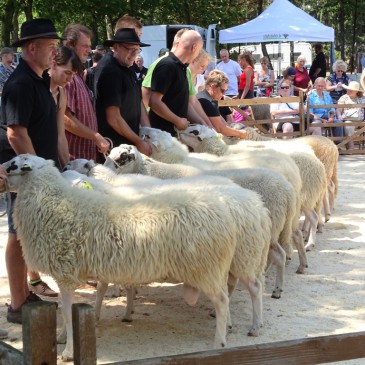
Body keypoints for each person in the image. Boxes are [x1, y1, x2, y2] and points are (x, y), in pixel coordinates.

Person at [0, 18, 65, 323]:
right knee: (17, 235)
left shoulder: (38, 80)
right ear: (31, 48)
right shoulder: (21, 84)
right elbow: (15, 133)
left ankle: (25, 292)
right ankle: (16, 305)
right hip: (25, 176)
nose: (55, 52)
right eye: (51, 46)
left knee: (25, 235)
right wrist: (39, 171)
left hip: (35, 172)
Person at [96, 28, 152, 158]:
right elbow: (113, 118)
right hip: (116, 150)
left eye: (137, 50)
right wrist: (138, 141)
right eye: (130, 49)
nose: (134, 54)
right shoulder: (110, 71)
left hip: (128, 145)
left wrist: (148, 133)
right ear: (116, 47)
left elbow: (138, 102)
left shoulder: (127, 66)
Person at [62, 23, 110, 161]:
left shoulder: (78, 74)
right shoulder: (66, 77)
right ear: (70, 45)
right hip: (74, 161)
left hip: (85, 158)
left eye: (90, 46)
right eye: (85, 46)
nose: (90, 51)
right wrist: (95, 136)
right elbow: (65, 118)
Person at [149, 30, 204, 136]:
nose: (199, 53)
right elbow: (154, 101)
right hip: (163, 137)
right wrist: (177, 120)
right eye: (200, 49)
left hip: (175, 135)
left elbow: (183, 103)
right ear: (194, 47)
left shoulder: (181, 67)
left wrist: (202, 124)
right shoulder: (167, 65)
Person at [197, 69, 247, 139]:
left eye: (225, 91)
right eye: (222, 91)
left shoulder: (207, 98)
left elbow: (223, 123)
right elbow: (221, 129)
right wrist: (241, 134)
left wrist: (231, 130)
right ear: (213, 87)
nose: (224, 94)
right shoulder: (206, 102)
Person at [336, 81, 365, 150]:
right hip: (348, 120)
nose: (348, 90)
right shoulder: (343, 98)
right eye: (348, 89)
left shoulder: (362, 98)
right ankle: (350, 148)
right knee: (348, 125)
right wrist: (339, 115)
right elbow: (338, 109)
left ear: (356, 91)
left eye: (350, 90)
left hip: (360, 120)